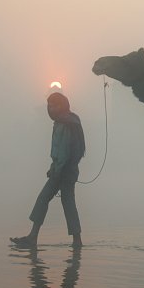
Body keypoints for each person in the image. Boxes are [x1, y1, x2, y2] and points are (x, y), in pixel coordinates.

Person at [11, 92, 86, 248]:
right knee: (68, 204)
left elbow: (64, 152)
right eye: (49, 105)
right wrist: (54, 167)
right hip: (69, 170)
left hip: (63, 172)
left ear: (61, 105)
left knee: (43, 199)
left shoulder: (64, 123)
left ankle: (33, 237)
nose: (50, 108)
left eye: (54, 105)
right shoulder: (69, 120)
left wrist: (55, 170)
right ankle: (77, 241)